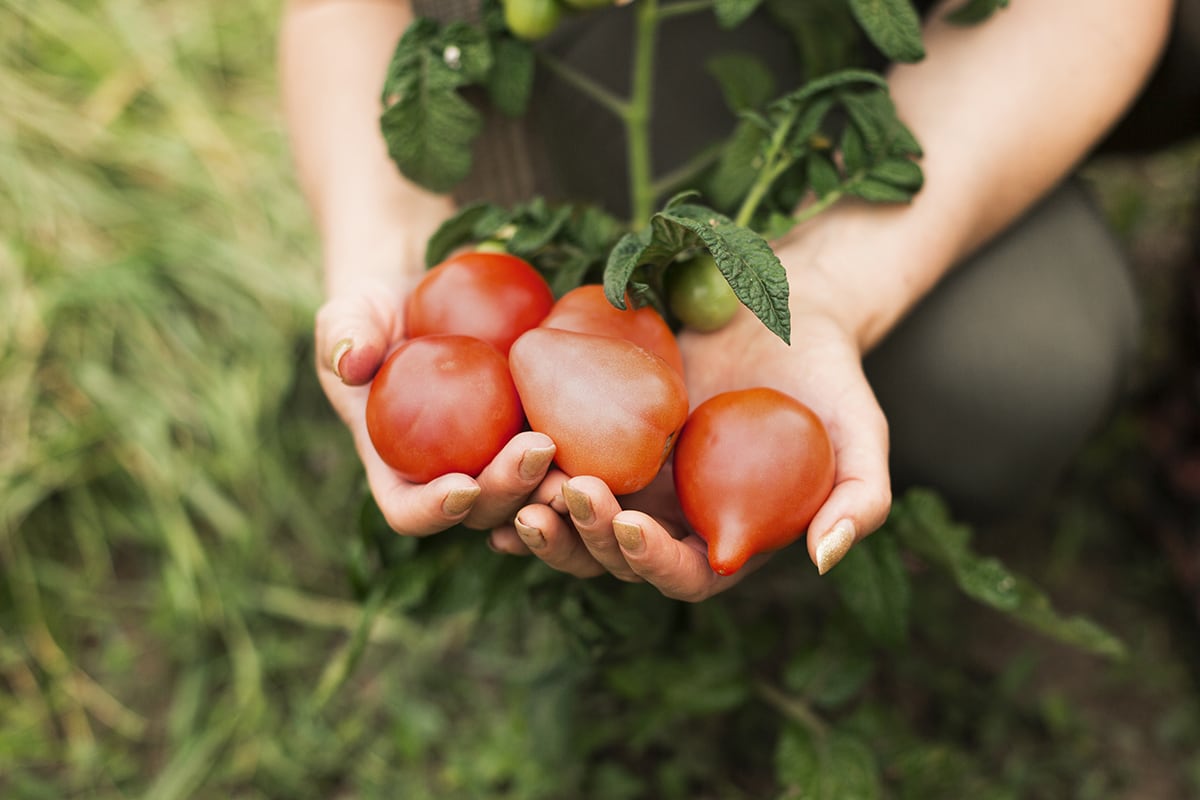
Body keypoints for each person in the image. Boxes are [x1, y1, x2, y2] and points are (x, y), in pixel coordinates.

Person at [280, 0, 1179, 601]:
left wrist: (843, 273)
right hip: (568, 47)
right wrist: (388, 228)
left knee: (1015, 369)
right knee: (1014, 368)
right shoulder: (554, 347)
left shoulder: (561, 360)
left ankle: (997, 133)